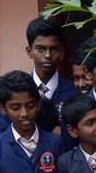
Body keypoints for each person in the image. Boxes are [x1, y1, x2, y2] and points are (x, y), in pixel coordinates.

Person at [26, 17, 79, 149]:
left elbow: (84, 138)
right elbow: (1, 136)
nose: (48, 55)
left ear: (62, 53)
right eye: (40, 49)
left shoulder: (75, 93)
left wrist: (64, 135)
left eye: (54, 49)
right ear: (29, 52)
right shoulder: (16, 92)